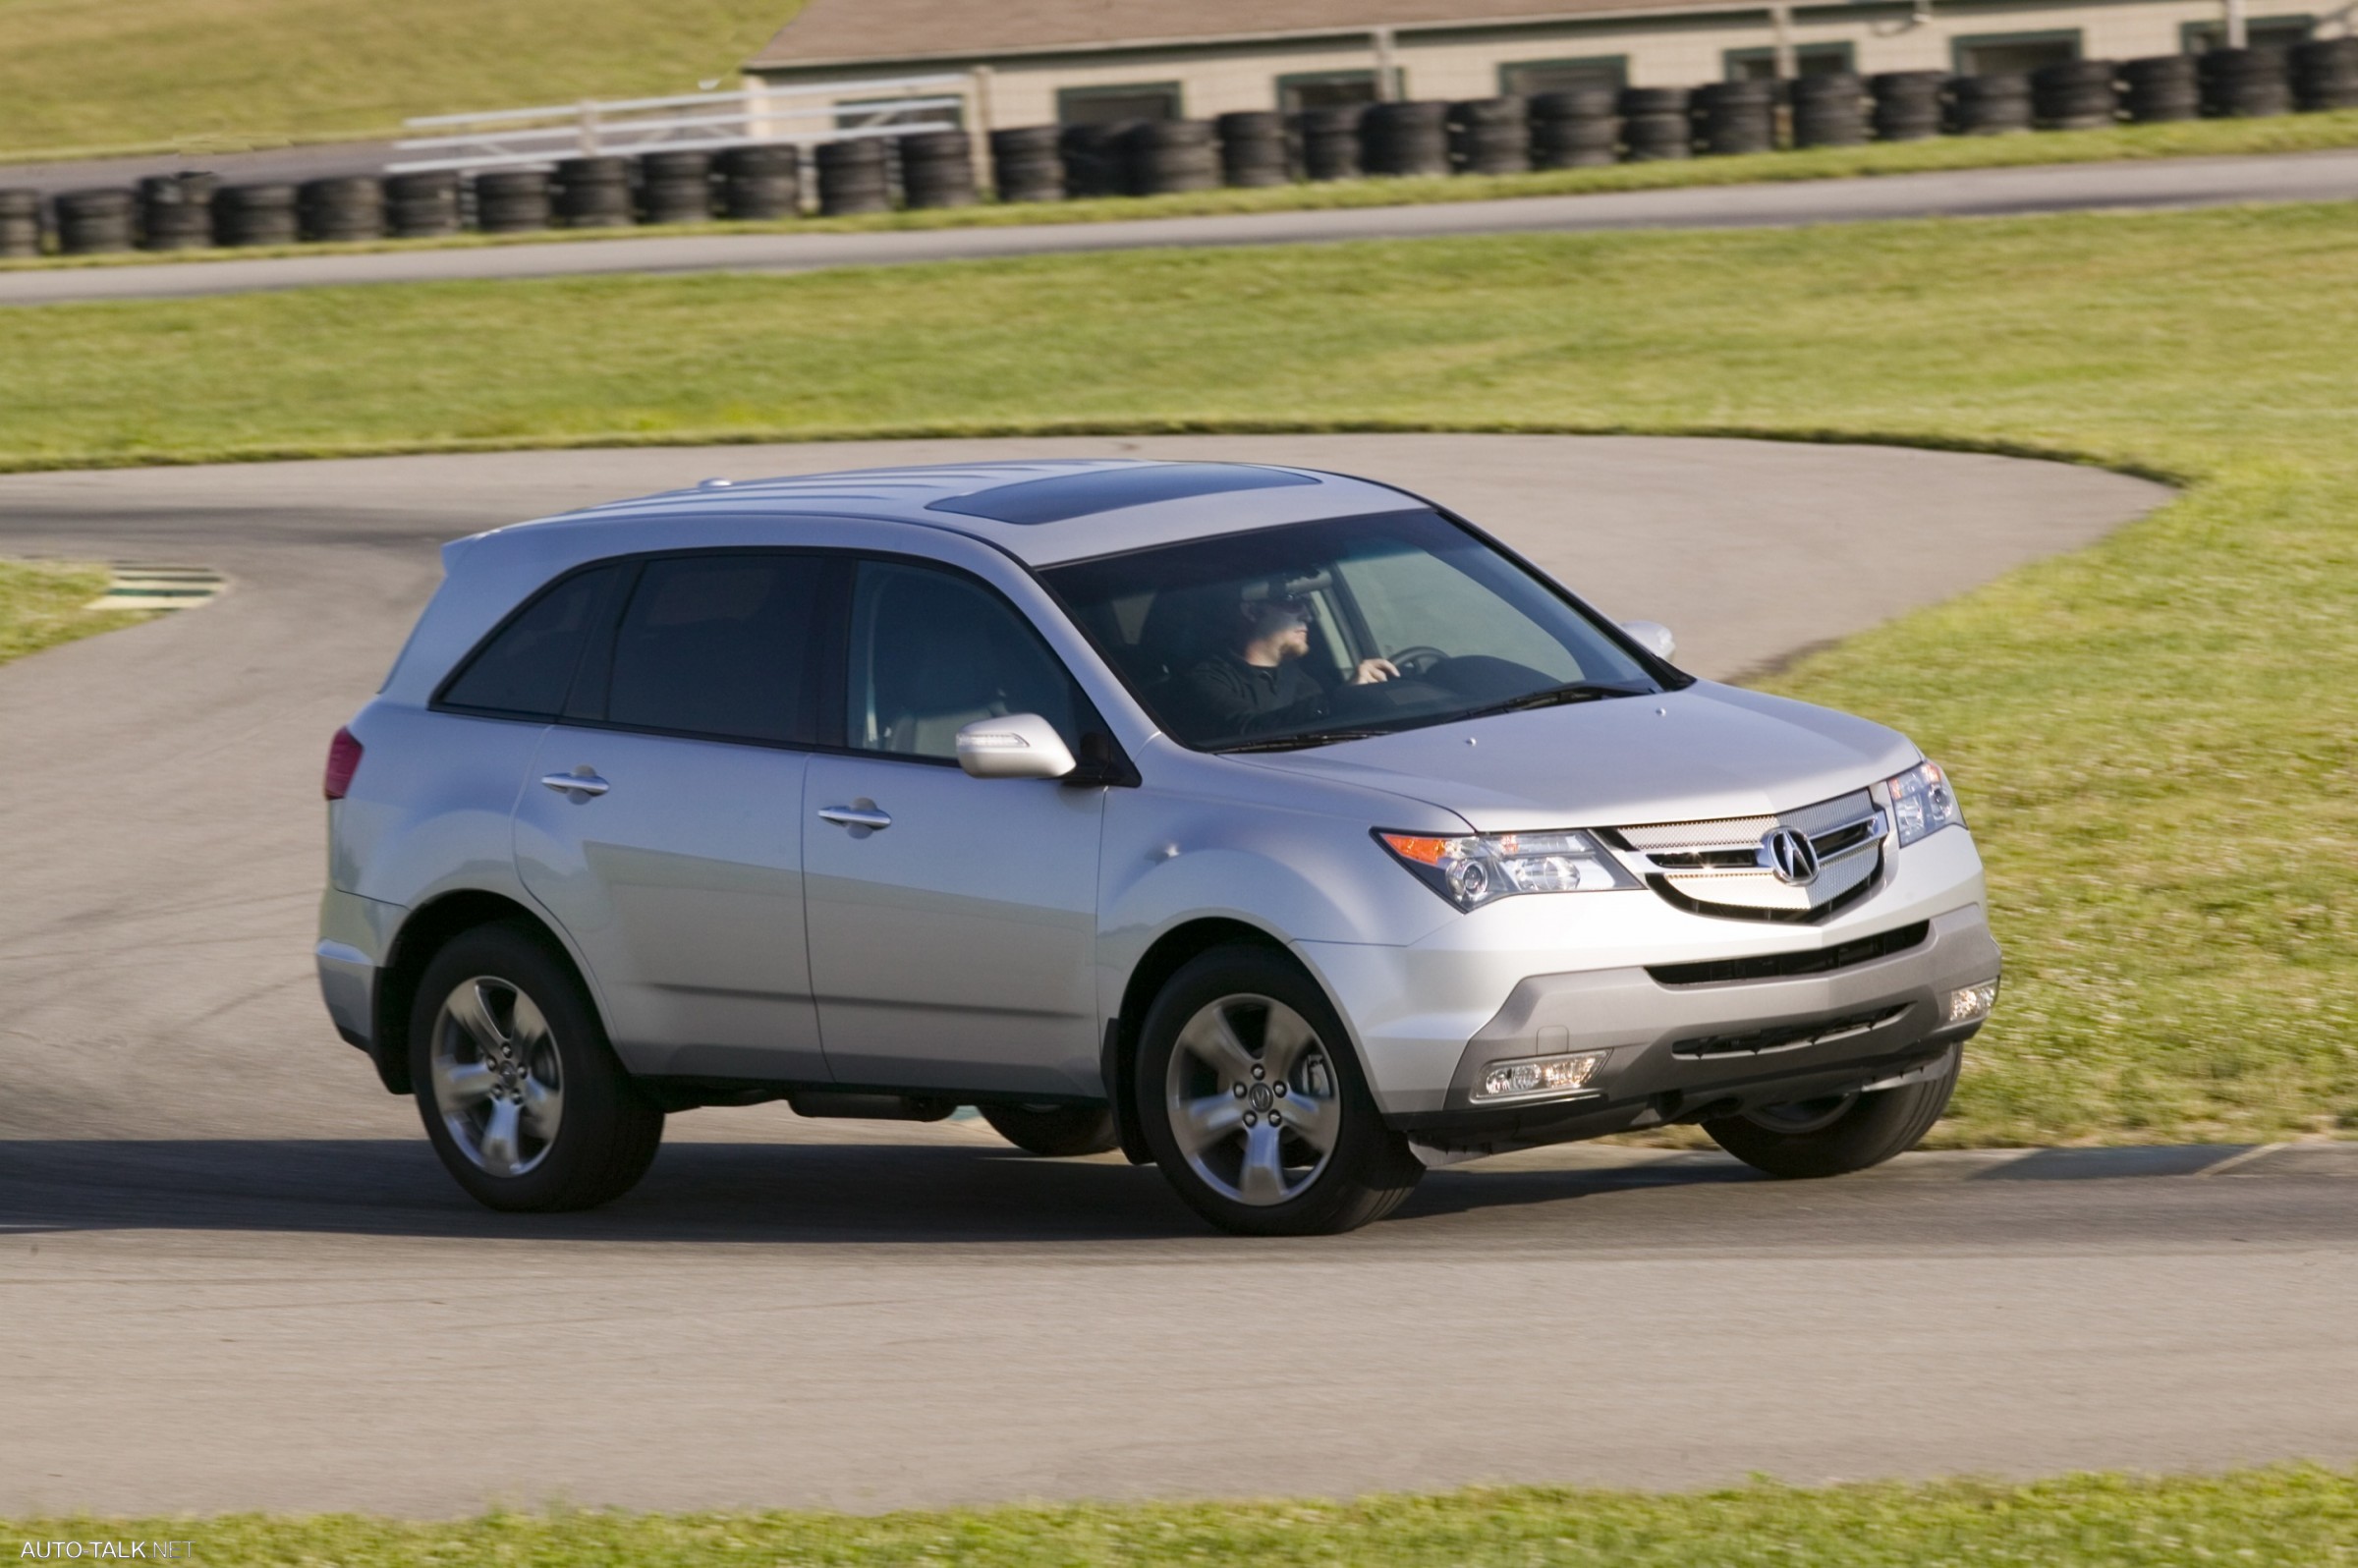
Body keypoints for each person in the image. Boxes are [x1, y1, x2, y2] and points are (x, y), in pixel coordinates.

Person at [1179, 584, 1397, 737]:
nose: (1307, 616)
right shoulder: (1206, 680)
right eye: (1292, 602)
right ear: (1252, 611)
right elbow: (1249, 731)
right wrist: (1340, 701)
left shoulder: (1306, 678)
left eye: (1308, 604)